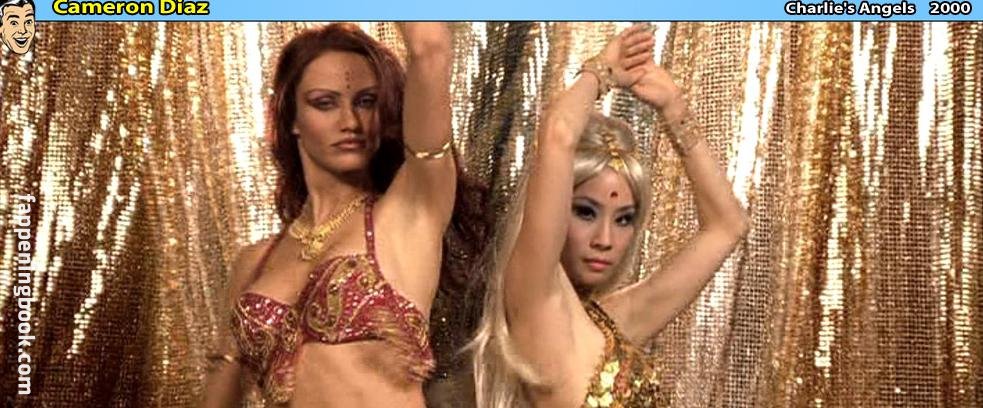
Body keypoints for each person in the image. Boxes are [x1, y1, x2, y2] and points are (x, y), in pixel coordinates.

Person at [470, 24, 750, 407]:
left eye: (623, 220)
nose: (604, 239)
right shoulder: (532, 299)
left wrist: (674, 109)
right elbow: (558, 134)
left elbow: (728, 226)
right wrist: (600, 71)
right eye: (586, 212)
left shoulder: (610, 323)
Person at [200, 22, 476, 407]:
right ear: (290, 117)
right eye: (324, 103)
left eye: (366, 101)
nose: (350, 121)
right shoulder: (254, 263)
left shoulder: (407, 215)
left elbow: (431, 48)